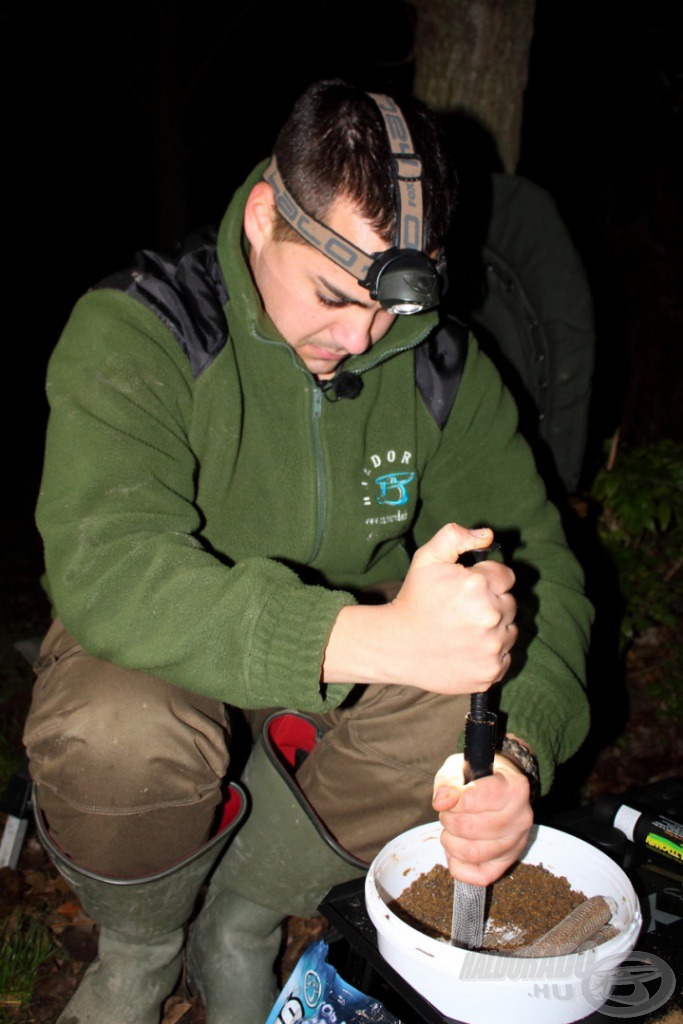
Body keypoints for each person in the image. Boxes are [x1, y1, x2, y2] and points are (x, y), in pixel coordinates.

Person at [23, 80, 592, 1024]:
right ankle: (141, 947)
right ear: (261, 220)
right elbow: (109, 565)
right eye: (331, 294)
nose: (355, 338)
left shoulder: (440, 366)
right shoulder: (141, 327)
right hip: (165, 646)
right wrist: (369, 641)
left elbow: (544, 575)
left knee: (468, 706)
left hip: (338, 665)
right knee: (112, 733)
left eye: (386, 309)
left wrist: (514, 756)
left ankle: (242, 919)